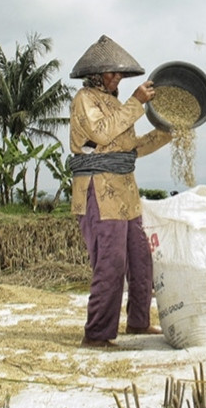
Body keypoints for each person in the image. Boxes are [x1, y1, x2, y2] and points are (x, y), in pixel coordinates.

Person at [68, 35, 172, 348]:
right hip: (98, 190)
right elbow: (101, 133)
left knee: (141, 259)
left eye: (120, 74)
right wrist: (137, 102)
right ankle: (97, 334)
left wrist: (168, 132)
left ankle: (138, 322)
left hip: (125, 193)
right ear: (95, 75)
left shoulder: (117, 104)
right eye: (110, 73)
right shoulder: (84, 100)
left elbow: (130, 148)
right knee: (111, 263)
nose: (117, 78)